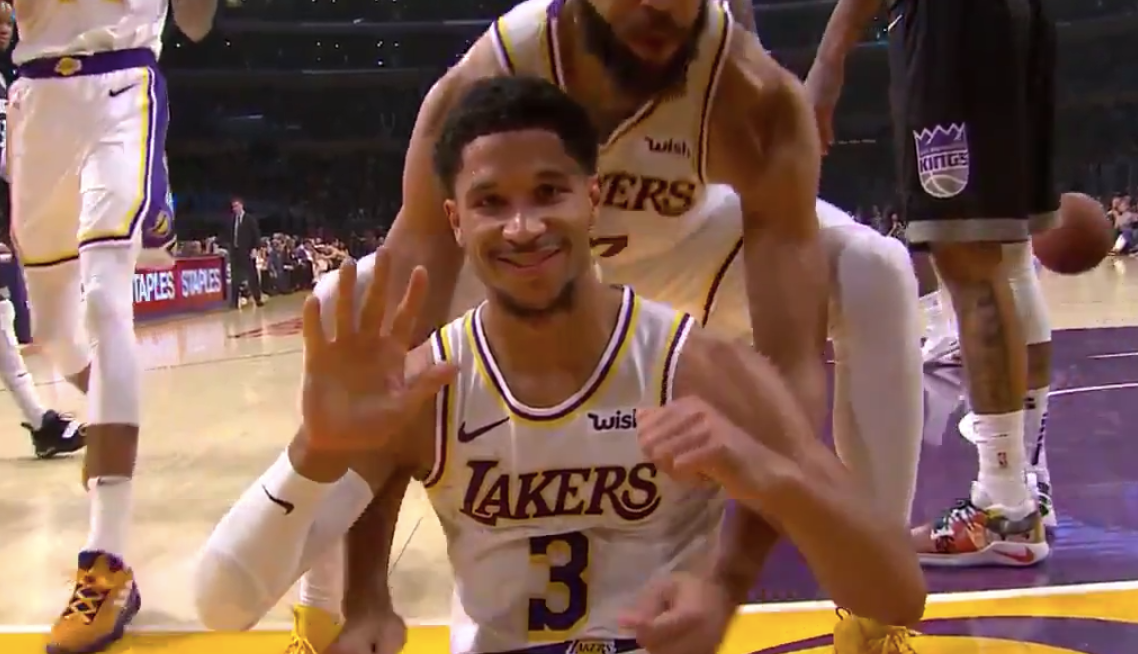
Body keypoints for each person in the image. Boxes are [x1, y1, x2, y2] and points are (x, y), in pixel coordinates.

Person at [193, 77, 927, 654]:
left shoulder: (699, 368)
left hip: (688, 245)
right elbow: (219, 603)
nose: (520, 223)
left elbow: (895, 591)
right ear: (457, 217)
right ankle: (319, 621)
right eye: (491, 202)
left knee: (876, 267)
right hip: (500, 625)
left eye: (547, 192)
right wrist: (319, 463)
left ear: (593, 197)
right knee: (345, 305)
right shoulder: (434, 381)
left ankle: (866, 633)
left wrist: (761, 490)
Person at [0, 0, 216, 649]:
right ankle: (105, 419)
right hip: (36, 101)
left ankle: (107, 560)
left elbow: (198, 24)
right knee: (54, 336)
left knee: (104, 301)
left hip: (123, 86)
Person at [806, 0, 1055, 564]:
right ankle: (1025, 487)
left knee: (967, 261)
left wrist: (830, 55)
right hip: (1023, 21)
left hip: (951, 29)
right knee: (1010, 259)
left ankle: (1006, 506)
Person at [0, 4, 85, 463]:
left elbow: (2, 159)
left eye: (9, 22)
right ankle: (41, 422)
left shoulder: (0, 82)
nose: (4, 30)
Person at [227, 197, 265, 307]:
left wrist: (255, 248)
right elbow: (229, 235)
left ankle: (257, 298)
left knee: (252, 275)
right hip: (235, 252)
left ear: (242, 206)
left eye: (237, 206)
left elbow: (256, 235)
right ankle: (234, 302)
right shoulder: (231, 220)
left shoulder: (250, 219)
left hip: (247, 251)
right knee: (235, 277)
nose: (235, 208)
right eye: (233, 207)